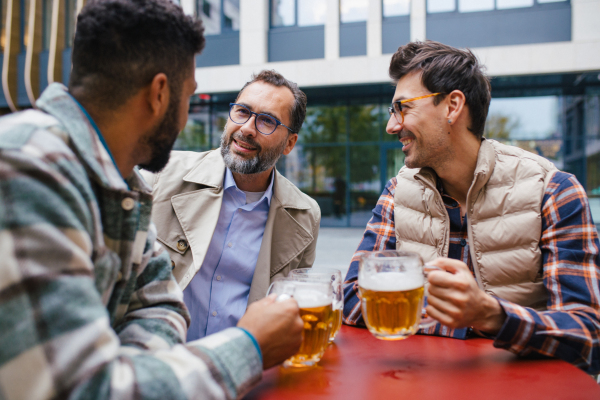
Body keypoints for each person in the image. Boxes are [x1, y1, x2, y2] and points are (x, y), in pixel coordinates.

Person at [0, 0, 304, 398]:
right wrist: (247, 347)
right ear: (160, 93)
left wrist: (135, 375)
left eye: (264, 120)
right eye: (190, 95)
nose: (245, 129)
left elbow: (157, 305)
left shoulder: (122, 183)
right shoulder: (26, 169)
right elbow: (88, 390)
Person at [343, 40, 600, 374]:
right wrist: (450, 315)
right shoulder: (397, 192)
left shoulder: (553, 192)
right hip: (422, 385)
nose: (392, 125)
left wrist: (490, 314)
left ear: (452, 106)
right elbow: (350, 300)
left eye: (402, 107)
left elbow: (588, 336)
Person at [141, 70, 320, 341]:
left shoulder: (305, 216)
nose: (247, 128)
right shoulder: (160, 175)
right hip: (159, 360)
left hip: (242, 368)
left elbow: (290, 308)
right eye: (242, 112)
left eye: (267, 121)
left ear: (289, 143)